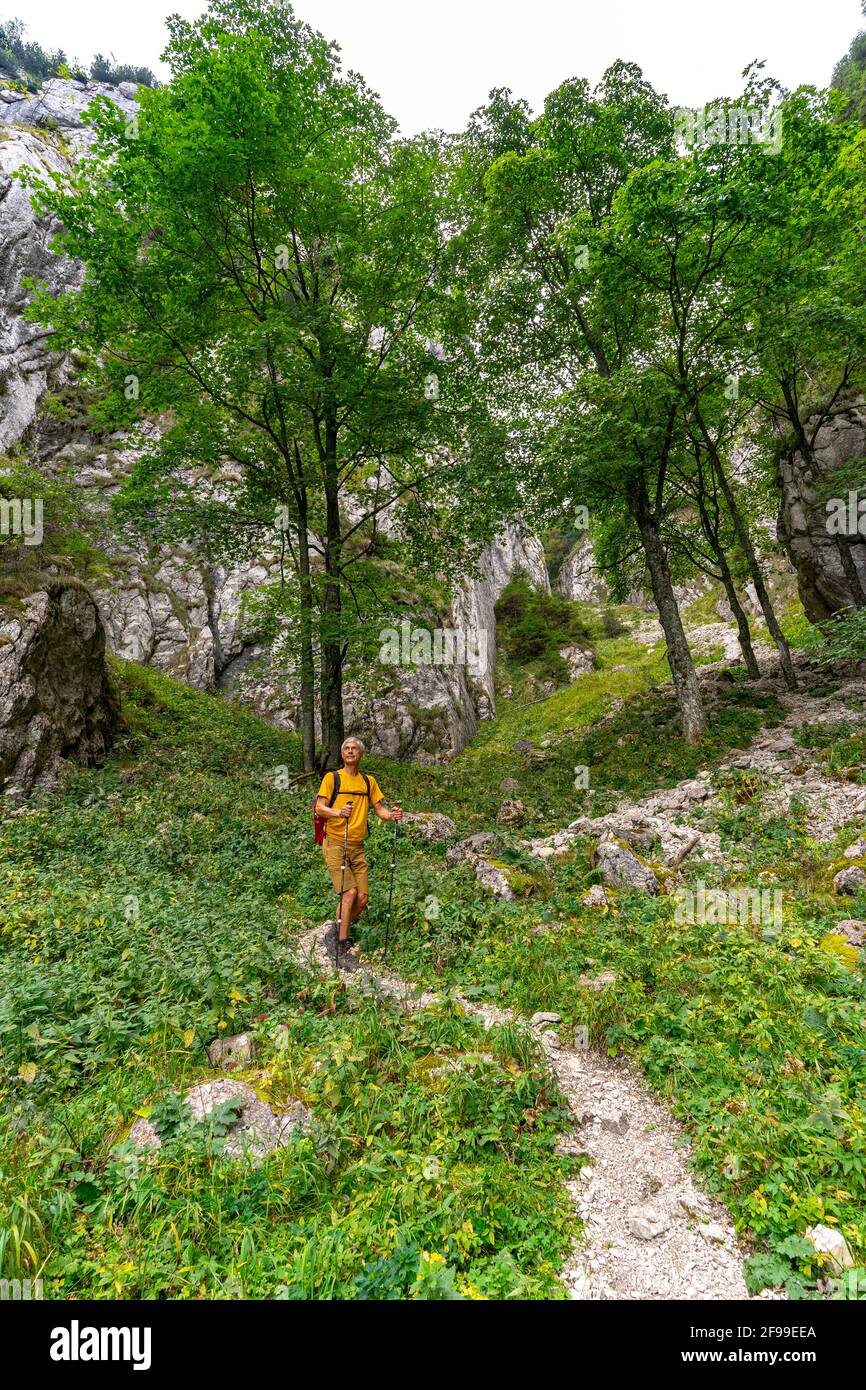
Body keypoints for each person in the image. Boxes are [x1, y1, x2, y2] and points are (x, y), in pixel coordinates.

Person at [315, 736, 402, 967]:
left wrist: (391, 816)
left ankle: (335, 931)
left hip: (358, 845)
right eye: (346, 748)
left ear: (361, 754)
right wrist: (337, 813)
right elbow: (319, 808)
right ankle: (342, 947)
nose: (350, 752)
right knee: (349, 893)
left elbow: (380, 809)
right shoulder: (332, 778)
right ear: (342, 754)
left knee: (362, 898)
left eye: (355, 749)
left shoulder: (367, 781)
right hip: (335, 841)